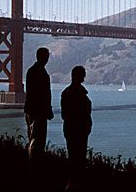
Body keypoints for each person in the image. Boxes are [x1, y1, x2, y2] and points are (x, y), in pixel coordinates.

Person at [61, 65, 92, 190]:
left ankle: (72, 182)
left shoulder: (66, 93)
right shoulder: (80, 93)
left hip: (70, 129)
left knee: (72, 156)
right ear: (79, 76)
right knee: (79, 158)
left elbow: (64, 115)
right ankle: (77, 183)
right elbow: (85, 112)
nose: (84, 77)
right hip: (80, 130)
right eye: (83, 74)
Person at [24, 47, 54, 175]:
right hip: (39, 111)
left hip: (31, 109)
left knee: (33, 138)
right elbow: (42, 94)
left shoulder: (31, 71)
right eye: (46, 56)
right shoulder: (40, 72)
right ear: (41, 57)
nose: (47, 58)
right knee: (37, 141)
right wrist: (48, 109)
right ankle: (34, 169)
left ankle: (33, 166)